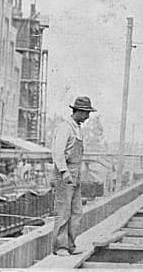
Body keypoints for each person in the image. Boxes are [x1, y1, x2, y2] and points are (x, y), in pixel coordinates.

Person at [51, 96, 96, 256]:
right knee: (63, 211)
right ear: (78, 111)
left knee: (76, 211)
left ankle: (70, 244)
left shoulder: (77, 128)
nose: (88, 117)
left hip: (75, 174)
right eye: (86, 113)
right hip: (66, 173)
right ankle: (60, 247)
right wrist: (64, 172)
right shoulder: (65, 127)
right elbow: (58, 152)